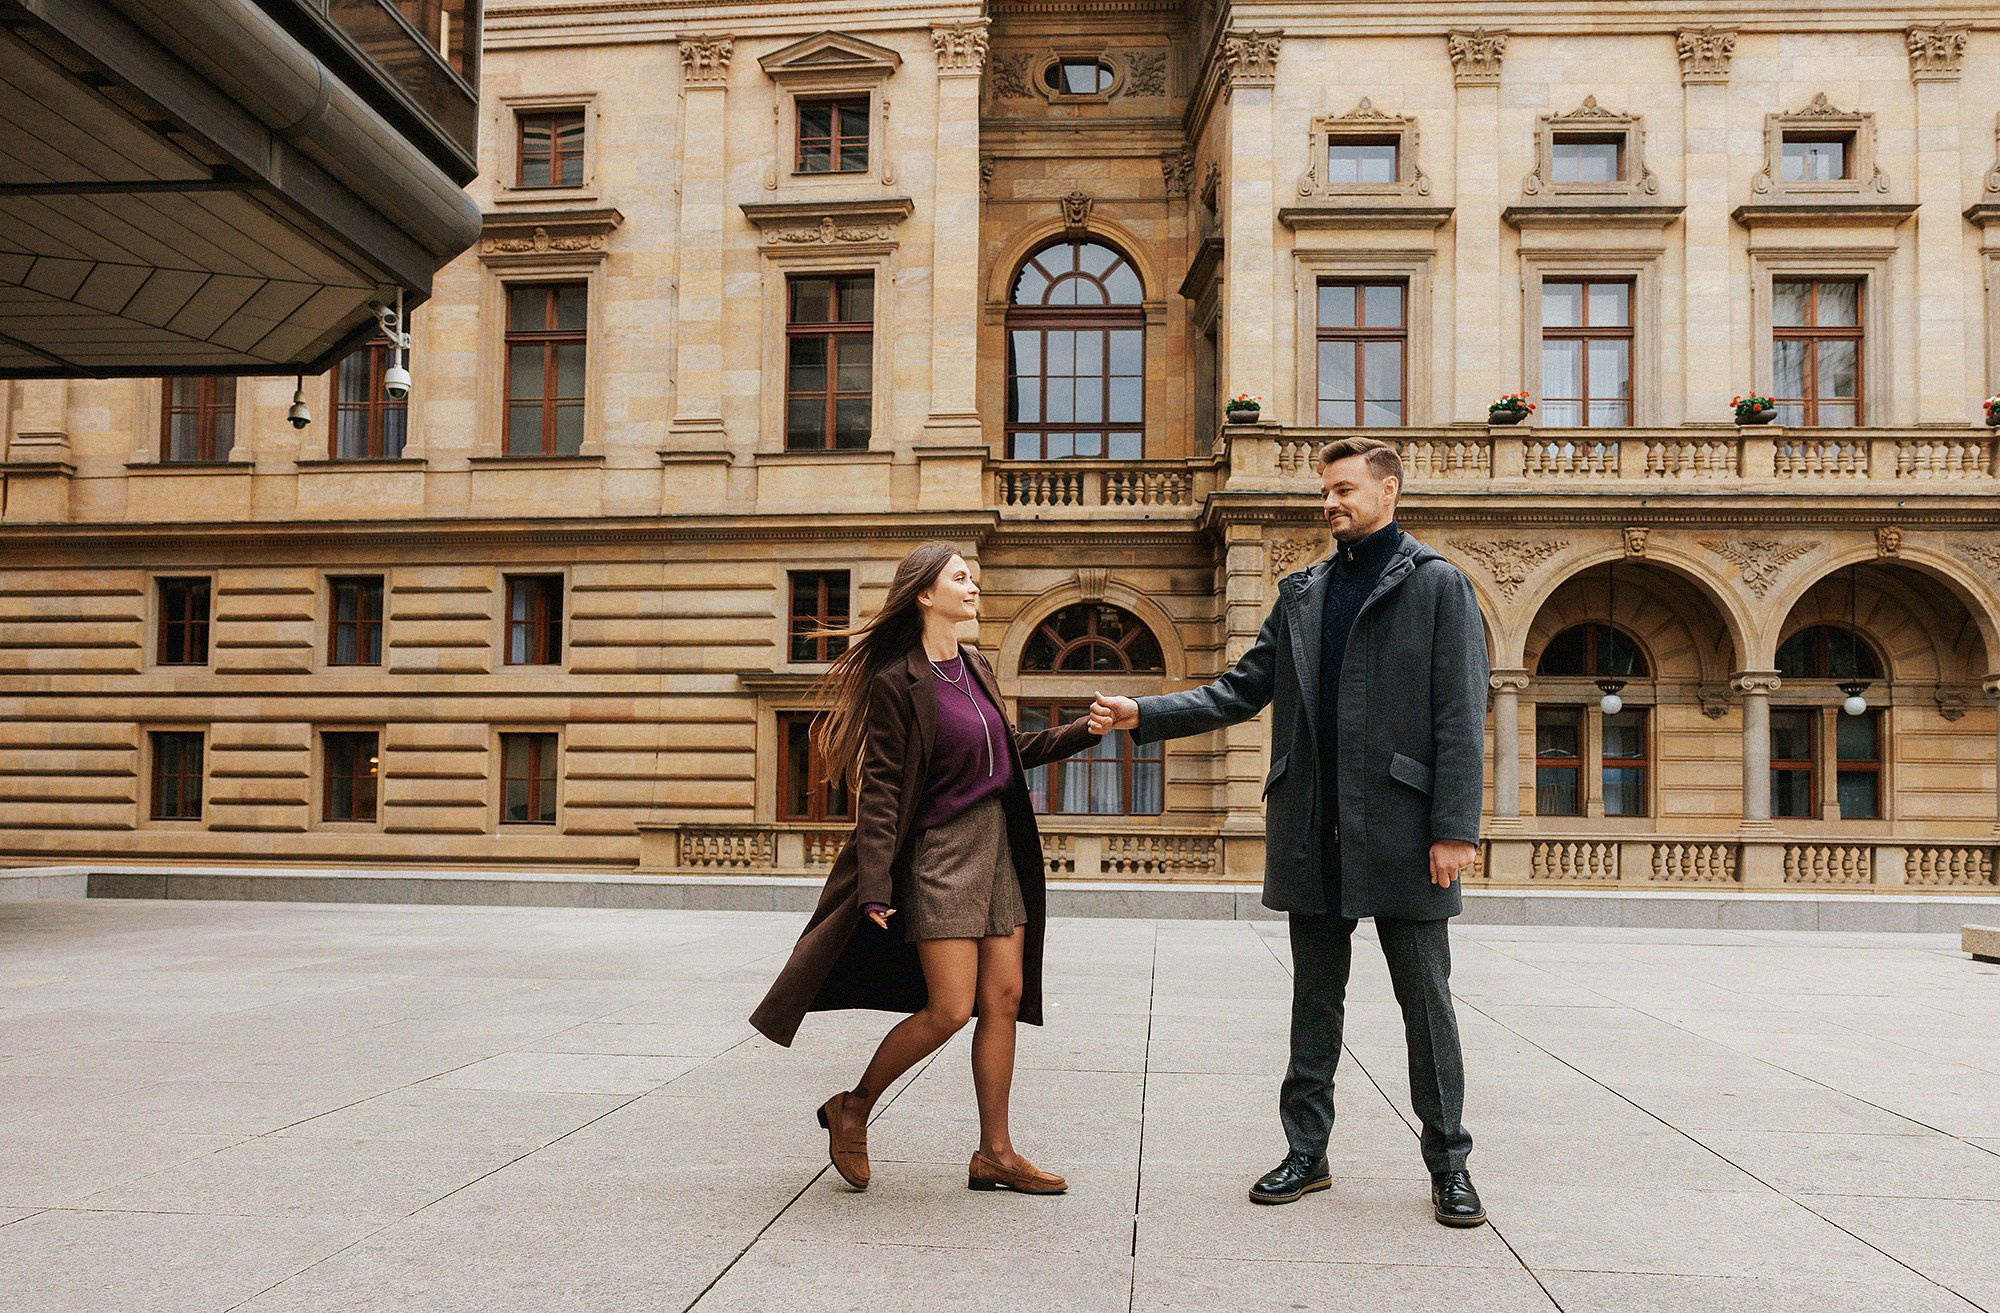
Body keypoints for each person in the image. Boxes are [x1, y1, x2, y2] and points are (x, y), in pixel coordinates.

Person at [1088, 435, 1491, 1227]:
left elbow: (1460, 717)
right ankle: (1307, 1153)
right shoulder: (1303, 591)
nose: (1332, 503)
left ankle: (1450, 1163)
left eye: (1345, 489)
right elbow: (1243, 688)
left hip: (1407, 830)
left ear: (1389, 491)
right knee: (1315, 1001)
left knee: (1426, 1005)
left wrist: (1454, 828)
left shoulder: (1440, 586)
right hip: (1313, 826)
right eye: (1325, 494)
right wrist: (1147, 713)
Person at [751, 542, 1100, 1195]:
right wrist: (876, 883)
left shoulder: (976, 665)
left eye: (972, 577)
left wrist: (1084, 730)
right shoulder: (897, 682)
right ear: (924, 593)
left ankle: (995, 1152)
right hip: (939, 852)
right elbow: (881, 790)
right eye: (961, 576)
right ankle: (853, 1107)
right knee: (948, 1008)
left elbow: (1007, 750)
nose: (974, 586)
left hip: (999, 847)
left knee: (1003, 998)